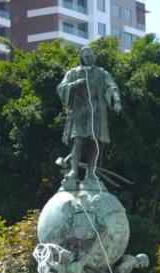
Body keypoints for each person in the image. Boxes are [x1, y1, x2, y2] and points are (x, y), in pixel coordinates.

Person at [57, 46, 121, 187]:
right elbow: (61, 88)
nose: (90, 58)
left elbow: (112, 86)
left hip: (97, 112)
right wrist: (74, 85)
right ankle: (74, 171)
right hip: (80, 111)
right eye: (87, 56)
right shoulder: (73, 73)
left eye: (92, 56)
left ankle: (91, 173)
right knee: (78, 140)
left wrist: (116, 101)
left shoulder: (101, 73)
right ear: (81, 57)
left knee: (95, 143)